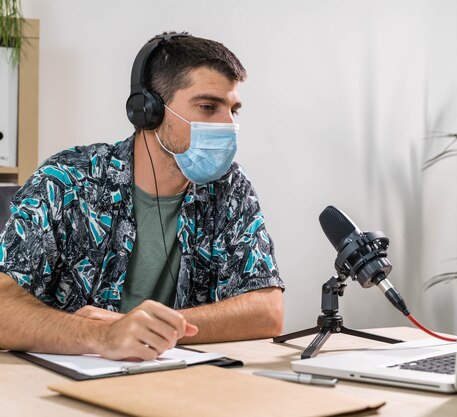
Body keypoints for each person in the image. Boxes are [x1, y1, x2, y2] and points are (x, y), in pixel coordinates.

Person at [0, 32, 284, 360]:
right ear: (148, 110)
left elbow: (266, 309)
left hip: (178, 384)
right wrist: (102, 335)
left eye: (234, 110)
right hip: (66, 387)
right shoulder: (66, 181)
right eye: (208, 107)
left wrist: (150, 329)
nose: (228, 125)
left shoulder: (229, 186)